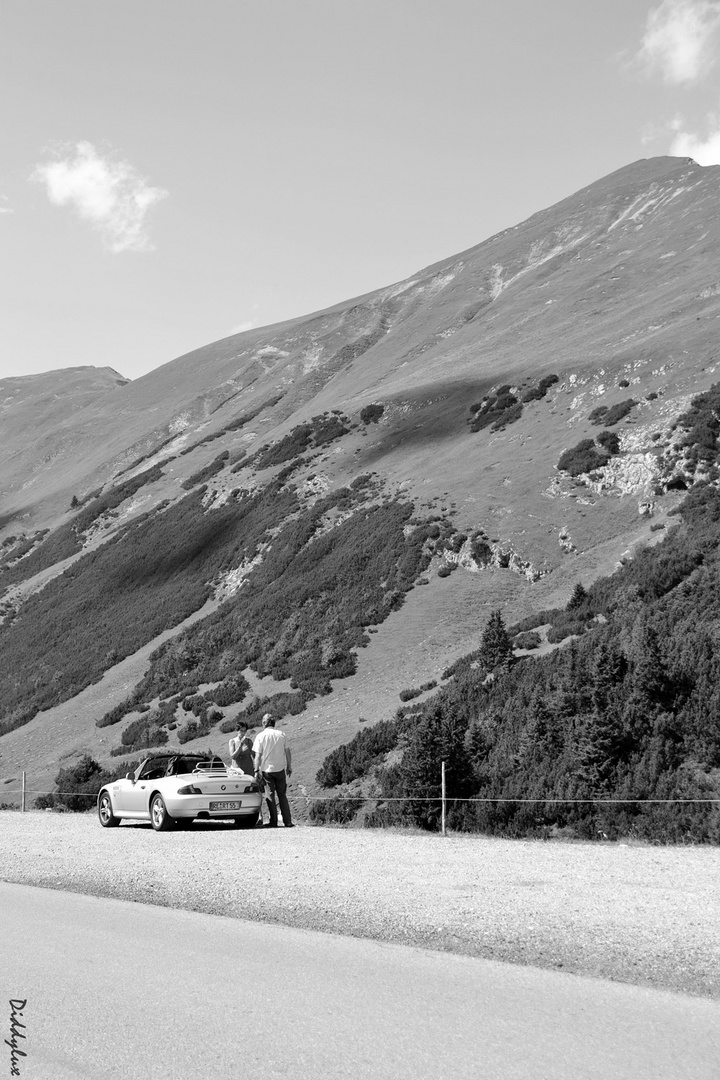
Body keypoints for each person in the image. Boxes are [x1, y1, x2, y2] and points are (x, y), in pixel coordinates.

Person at [252, 713, 294, 828]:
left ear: (265, 723)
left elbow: (258, 756)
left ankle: (273, 821)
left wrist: (256, 771)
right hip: (280, 769)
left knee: (270, 795)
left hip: (267, 770)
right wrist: (289, 766)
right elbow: (287, 751)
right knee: (282, 795)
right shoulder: (281, 734)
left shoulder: (260, 736)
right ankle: (288, 821)